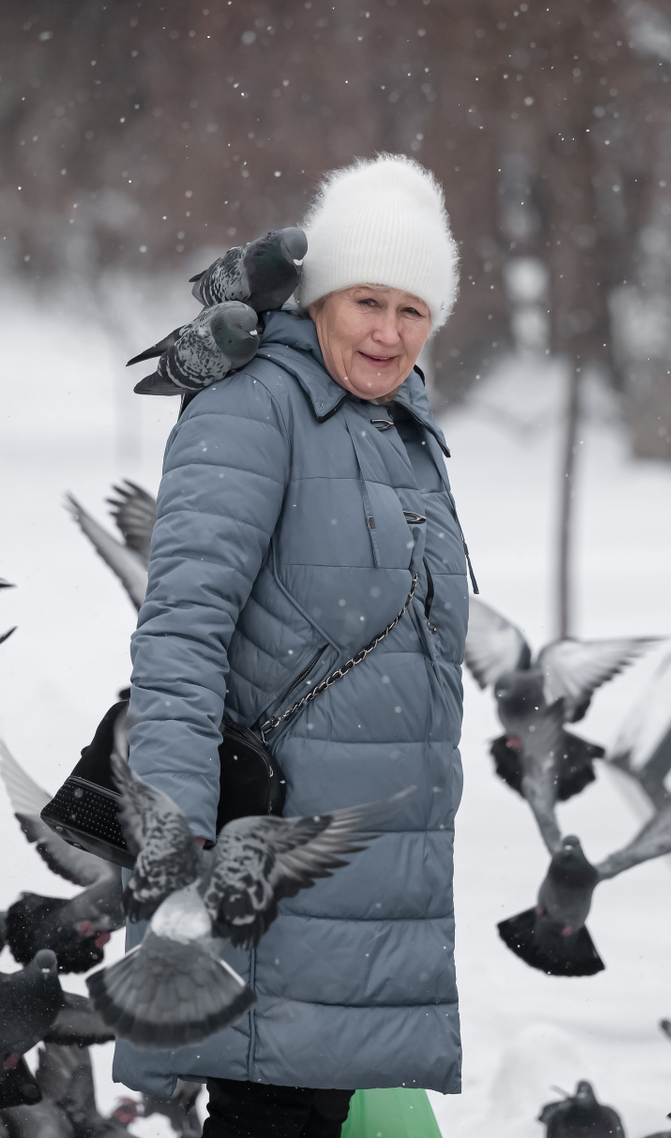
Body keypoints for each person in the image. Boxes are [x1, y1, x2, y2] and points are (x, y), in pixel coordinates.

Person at [117, 155, 471, 1138]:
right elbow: (180, 635)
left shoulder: (407, 432)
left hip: (375, 891)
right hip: (265, 885)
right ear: (319, 296)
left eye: (412, 309)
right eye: (367, 300)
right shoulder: (253, 406)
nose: (388, 331)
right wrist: (175, 833)